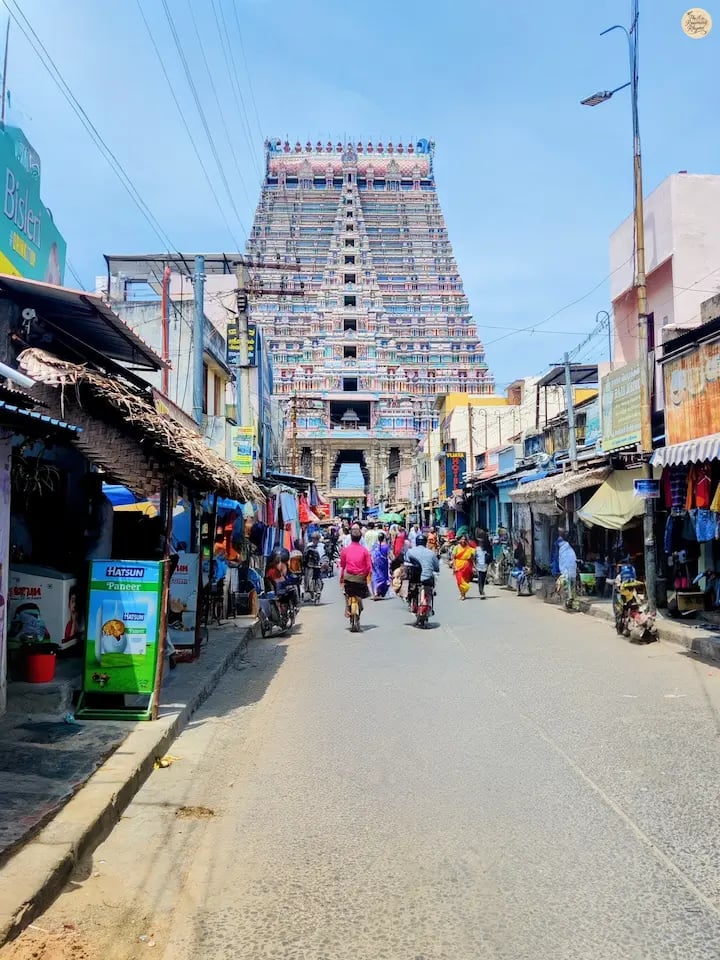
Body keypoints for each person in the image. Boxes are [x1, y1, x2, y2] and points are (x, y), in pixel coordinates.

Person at [339, 526, 371, 619]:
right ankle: (358, 604)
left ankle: (347, 608)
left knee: (346, 592)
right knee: (360, 592)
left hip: (348, 577)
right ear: (360, 538)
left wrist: (341, 579)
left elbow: (342, 566)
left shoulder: (345, 551)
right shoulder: (365, 551)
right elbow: (369, 567)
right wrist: (366, 575)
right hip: (361, 578)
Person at [406, 533, 440, 602]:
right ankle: (432, 592)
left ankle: (410, 599)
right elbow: (436, 568)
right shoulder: (431, 553)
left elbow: (406, 564)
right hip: (427, 579)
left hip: (414, 578)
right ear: (425, 542)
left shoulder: (410, 552)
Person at [452, 533, 475, 600]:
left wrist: (474, 566)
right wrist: (454, 566)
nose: (463, 541)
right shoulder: (456, 547)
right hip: (458, 565)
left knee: (466, 580)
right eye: (462, 539)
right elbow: (453, 557)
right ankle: (462, 592)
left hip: (467, 566)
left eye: (465, 539)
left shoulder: (469, 548)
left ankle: (463, 594)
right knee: (459, 581)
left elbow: (472, 558)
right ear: (460, 540)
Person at [557, 532, 578, 605]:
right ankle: (572, 600)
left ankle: (569, 599)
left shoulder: (562, 550)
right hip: (573, 571)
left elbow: (561, 561)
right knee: (572, 586)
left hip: (566, 571)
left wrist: (562, 570)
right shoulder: (570, 549)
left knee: (567, 585)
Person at [370, 531, 391, 599]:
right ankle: (380, 592)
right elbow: (390, 555)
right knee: (383, 577)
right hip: (384, 563)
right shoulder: (386, 546)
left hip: (375, 563)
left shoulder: (374, 546)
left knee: (375, 576)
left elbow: (371, 554)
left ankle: (376, 592)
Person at [475, 532, 491, 599]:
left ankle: (482, 589)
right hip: (479, 565)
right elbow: (475, 557)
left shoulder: (487, 549)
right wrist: (474, 565)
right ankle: (481, 591)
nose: (481, 543)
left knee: (483, 579)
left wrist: (488, 562)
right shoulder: (477, 549)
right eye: (480, 542)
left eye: (482, 542)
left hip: (484, 565)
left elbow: (490, 557)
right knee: (480, 579)